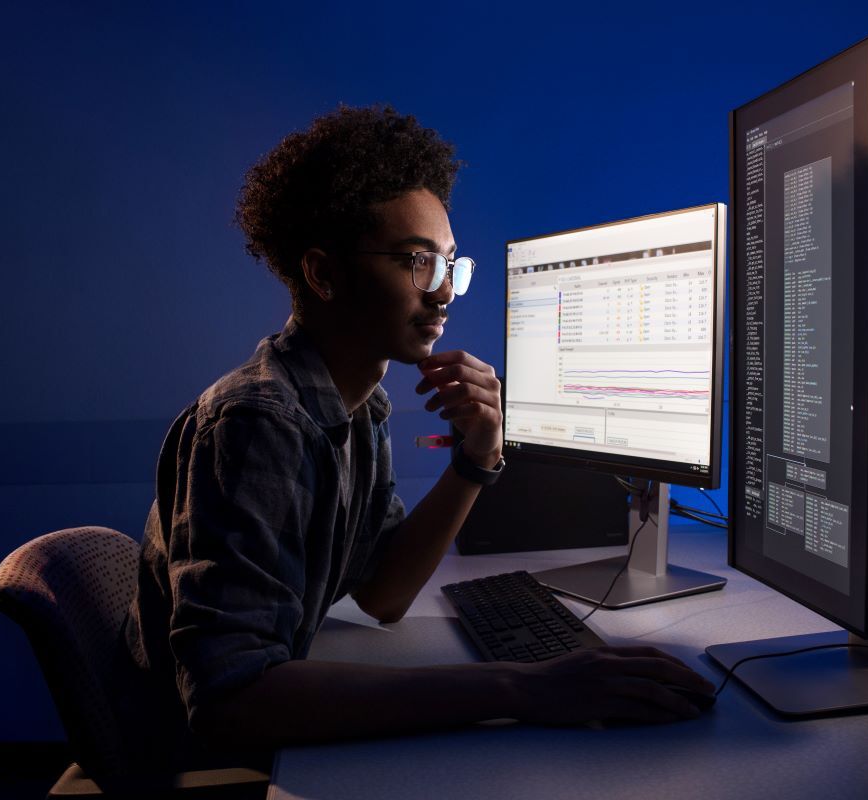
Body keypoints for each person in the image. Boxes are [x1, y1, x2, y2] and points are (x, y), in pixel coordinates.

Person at [123, 105, 715, 763]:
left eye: (451, 266)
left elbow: (384, 594)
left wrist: (478, 456)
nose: (443, 295)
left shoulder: (359, 408)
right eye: (416, 262)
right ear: (323, 274)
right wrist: (521, 686)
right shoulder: (259, 426)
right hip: (202, 763)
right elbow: (231, 704)